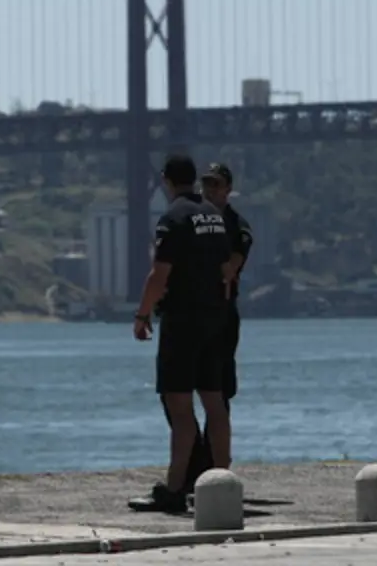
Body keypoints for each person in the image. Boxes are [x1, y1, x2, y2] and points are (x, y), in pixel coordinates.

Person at [128, 154, 233, 514]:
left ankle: (174, 490)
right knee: (215, 401)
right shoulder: (214, 217)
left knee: (179, 404)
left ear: (166, 181)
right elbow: (226, 268)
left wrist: (142, 314)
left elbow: (159, 275)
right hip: (215, 318)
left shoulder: (173, 218)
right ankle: (223, 483)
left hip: (183, 320)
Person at [163, 162, 254, 492]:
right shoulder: (195, 218)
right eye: (206, 184)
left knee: (218, 392)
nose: (210, 190)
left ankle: (217, 473)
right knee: (179, 396)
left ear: (228, 189)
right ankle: (194, 466)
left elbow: (228, 269)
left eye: (216, 185)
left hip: (220, 316)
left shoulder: (236, 226)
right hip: (198, 314)